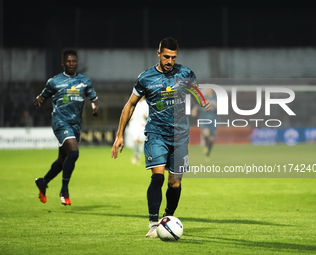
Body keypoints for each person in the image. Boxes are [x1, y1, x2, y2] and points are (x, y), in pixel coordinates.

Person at [111, 37, 211, 238]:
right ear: (158, 54)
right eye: (166, 56)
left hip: (181, 136)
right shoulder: (146, 78)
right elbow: (130, 105)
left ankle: (167, 218)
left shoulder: (185, 73)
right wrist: (119, 135)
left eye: (173, 57)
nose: (169, 61)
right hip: (156, 133)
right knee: (157, 177)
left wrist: (202, 102)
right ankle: (153, 222)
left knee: (175, 183)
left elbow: (195, 92)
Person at [34, 49, 99, 206]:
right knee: (74, 153)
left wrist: (95, 106)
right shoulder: (54, 81)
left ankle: (43, 181)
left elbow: (94, 98)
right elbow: (43, 95)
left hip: (76, 124)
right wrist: (39, 99)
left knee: (62, 161)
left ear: (77, 62)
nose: (71, 64)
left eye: (74, 61)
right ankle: (64, 189)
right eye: (68, 61)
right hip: (60, 122)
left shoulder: (84, 81)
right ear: (63, 63)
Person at [192, 88, 217, 159]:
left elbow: (220, 108)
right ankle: (206, 144)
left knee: (212, 138)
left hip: (213, 118)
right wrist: (194, 110)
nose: (207, 90)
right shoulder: (203, 98)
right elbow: (196, 106)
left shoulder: (215, 98)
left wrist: (216, 106)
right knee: (206, 133)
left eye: (208, 89)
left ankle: (208, 153)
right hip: (204, 117)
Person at [127, 96, 148, 164]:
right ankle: (135, 156)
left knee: (140, 141)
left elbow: (149, 114)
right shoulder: (133, 102)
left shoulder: (146, 104)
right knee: (135, 140)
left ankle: (138, 156)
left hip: (142, 124)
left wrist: (146, 116)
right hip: (134, 124)